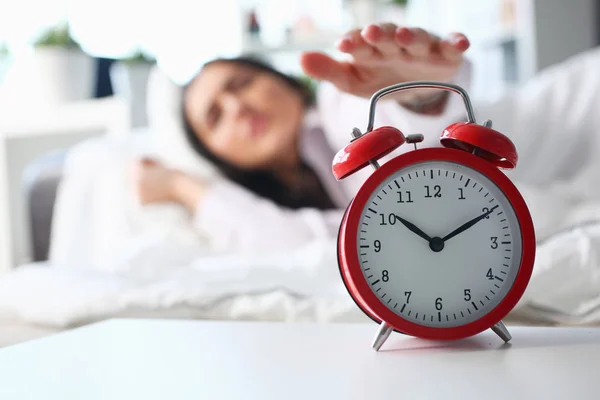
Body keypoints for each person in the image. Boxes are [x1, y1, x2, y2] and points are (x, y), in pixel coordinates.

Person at [135, 23, 600, 251]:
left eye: (240, 84)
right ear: (217, 156)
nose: (236, 107)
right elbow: (295, 240)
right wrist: (182, 186)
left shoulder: (346, 104)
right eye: (215, 117)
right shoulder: (280, 200)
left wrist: (416, 95)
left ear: (284, 81)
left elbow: (423, 161)